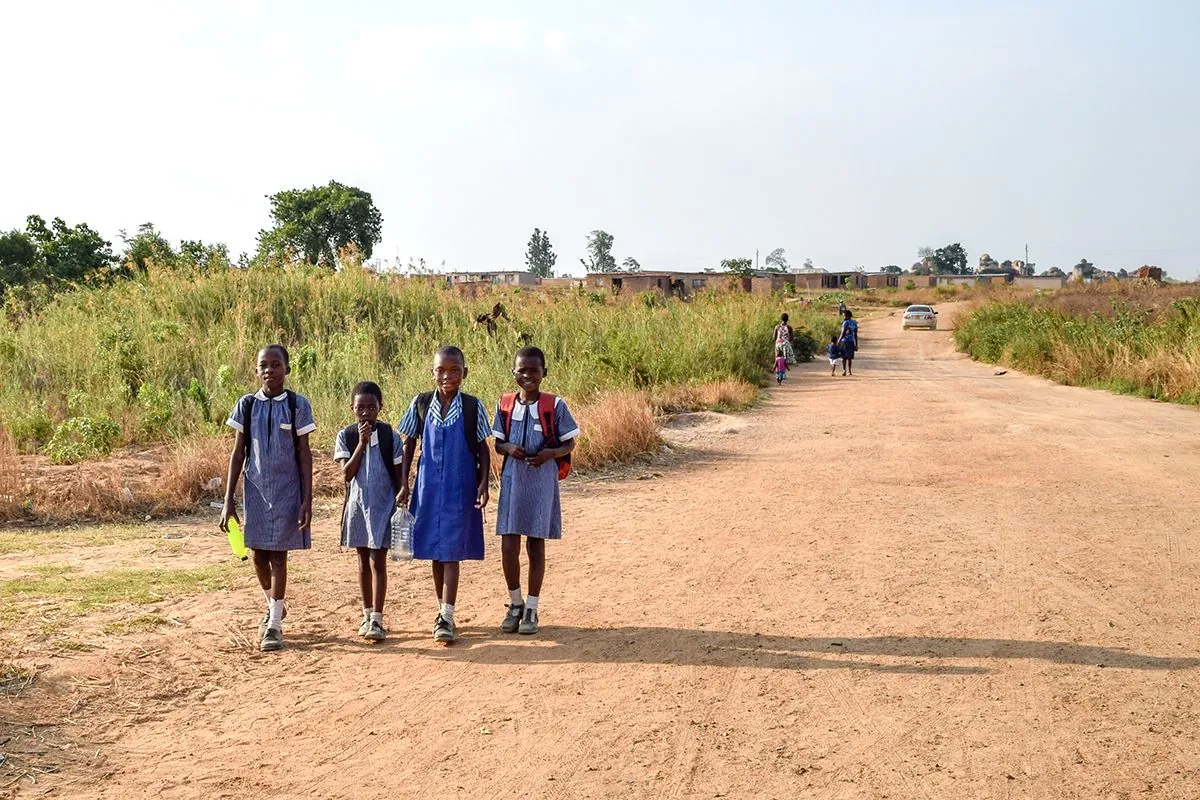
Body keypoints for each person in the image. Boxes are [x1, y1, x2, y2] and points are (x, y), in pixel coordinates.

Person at [219, 344, 315, 653]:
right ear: (256, 369)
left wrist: (307, 498)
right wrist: (228, 500)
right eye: (264, 365)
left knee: (278, 556)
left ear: (287, 369)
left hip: (288, 491)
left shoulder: (297, 405)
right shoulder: (247, 406)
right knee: (258, 555)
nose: (269, 370)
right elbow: (238, 452)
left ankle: (274, 625)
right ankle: (274, 603)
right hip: (256, 491)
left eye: (276, 364)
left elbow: (304, 453)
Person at [397, 345, 491, 644]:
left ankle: (447, 616)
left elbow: (482, 448)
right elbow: (408, 444)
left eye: (454, 370)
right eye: (441, 370)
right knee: (435, 553)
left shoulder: (473, 407)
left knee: (451, 552)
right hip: (428, 487)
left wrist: (483, 483)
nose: (448, 376)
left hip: (459, 487)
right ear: (432, 372)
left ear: (465, 373)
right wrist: (404, 483)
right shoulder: (421, 403)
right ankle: (442, 610)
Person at [492, 346, 580, 636]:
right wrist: (507, 448)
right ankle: (514, 603)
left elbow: (570, 442)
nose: (528, 375)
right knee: (508, 544)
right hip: (513, 479)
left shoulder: (554, 405)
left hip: (541, 481)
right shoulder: (505, 404)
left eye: (534, 370)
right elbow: (497, 443)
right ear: (513, 373)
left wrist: (550, 454)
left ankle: (531, 606)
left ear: (544, 372)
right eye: (522, 370)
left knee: (535, 544)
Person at [335, 381, 401, 643]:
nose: (365, 413)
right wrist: (361, 444)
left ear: (380, 408)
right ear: (352, 408)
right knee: (362, 559)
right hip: (358, 507)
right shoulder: (347, 436)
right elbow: (346, 474)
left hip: (383, 506)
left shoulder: (389, 436)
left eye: (371, 407)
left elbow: (398, 474)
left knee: (378, 560)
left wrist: (402, 498)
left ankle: (378, 618)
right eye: (360, 408)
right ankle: (366, 613)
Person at [838, 309, 859, 376]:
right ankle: (849, 371)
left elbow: (842, 333)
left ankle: (844, 370)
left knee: (844, 357)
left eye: (844, 316)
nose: (843, 317)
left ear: (848, 316)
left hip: (844, 341)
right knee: (850, 358)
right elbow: (855, 334)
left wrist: (838, 341)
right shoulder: (854, 322)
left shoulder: (845, 323)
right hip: (851, 341)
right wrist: (856, 344)